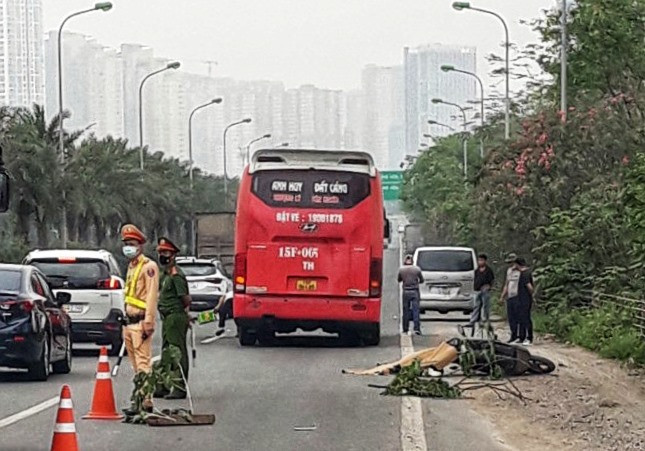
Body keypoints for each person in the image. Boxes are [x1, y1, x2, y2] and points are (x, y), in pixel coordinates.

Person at [121, 224, 159, 413]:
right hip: (129, 322)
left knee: (143, 363)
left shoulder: (149, 267)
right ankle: (139, 398)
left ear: (140, 246)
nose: (128, 246)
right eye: (126, 243)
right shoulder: (131, 266)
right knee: (136, 365)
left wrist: (149, 322)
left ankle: (146, 401)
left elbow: (152, 296)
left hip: (141, 321)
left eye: (132, 243)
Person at [155, 237, 191, 399]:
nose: (163, 255)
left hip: (175, 317)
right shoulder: (165, 274)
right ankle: (163, 385)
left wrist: (183, 314)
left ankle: (179, 387)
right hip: (167, 317)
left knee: (177, 352)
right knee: (166, 352)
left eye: (166, 252)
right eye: (161, 252)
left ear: (173, 255)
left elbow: (185, 299)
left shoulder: (176, 275)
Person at [397, 254, 424, 335]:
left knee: (406, 311)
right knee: (416, 310)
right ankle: (417, 328)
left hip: (406, 291)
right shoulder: (417, 269)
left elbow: (399, 279)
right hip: (415, 291)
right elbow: (422, 280)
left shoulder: (401, 269)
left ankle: (405, 328)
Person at [468, 253, 495, 329]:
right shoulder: (477, 271)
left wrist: (489, 286)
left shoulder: (488, 270)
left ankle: (485, 320)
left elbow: (491, 281)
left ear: (485, 261)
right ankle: (473, 320)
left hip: (485, 290)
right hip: (477, 290)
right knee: (476, 306)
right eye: (479, 260)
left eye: (481, 260)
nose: (480, 262)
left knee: (485, 306)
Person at [500, 252, 521, 343]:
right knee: (511, 317)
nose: (511, 265)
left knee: (519, 317)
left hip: (518, 296)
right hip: (510, 296)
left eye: (513, 262)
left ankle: (521, 335)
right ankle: (513, 335)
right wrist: (502, 296)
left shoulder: (521, 272)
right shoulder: (509, 271)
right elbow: (506, 284)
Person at [515, 257, 535, 346]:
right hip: (522, 299)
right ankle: (522, 337)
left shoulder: (524, 274)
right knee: (521, 318)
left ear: (517, 264)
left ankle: (529, 337)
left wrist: (530, 294)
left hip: (525, 299)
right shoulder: (526, 273)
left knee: (526, 318)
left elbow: (529, 286)